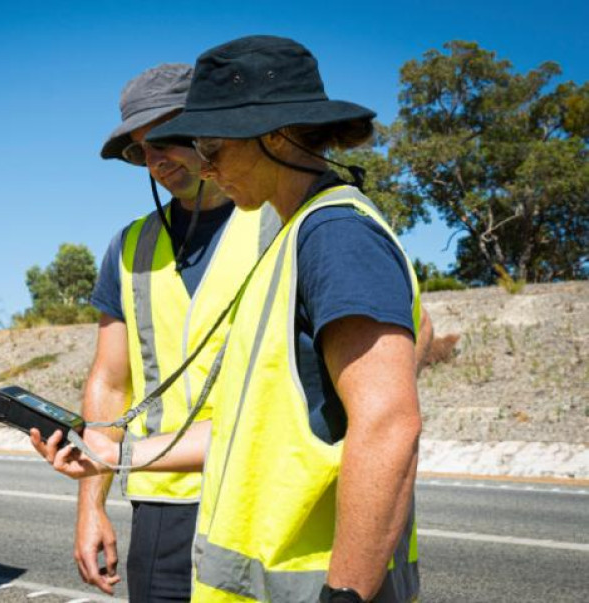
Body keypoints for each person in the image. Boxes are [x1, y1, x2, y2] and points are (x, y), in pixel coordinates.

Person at [34, 36, 427, 603]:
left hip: (310, 563)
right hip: (234, 538)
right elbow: (251, 422)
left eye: (208, 144)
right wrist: (115, 456)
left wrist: (347, 595)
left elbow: (388, 422)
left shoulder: (331, 235)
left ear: (272, 135)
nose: (205, 164)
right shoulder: (286, 236)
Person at [80, 63, 281, 601]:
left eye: (167, 138)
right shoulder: (130, 246)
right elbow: (110, 382)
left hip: (260, 495)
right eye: (140, 150)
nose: (155, 160)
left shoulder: (281, 220)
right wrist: (91, 506)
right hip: (163, 503)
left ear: (211, 129)